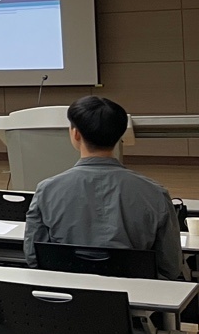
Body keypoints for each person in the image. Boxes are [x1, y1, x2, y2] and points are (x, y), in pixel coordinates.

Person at [25, 96, 182, 279]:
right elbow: (170, 267)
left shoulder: (46, 190)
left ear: (75, 134)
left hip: (66, 292)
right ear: (120, 135)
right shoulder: (155, 194)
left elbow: (33, 257)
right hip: (134, 294)